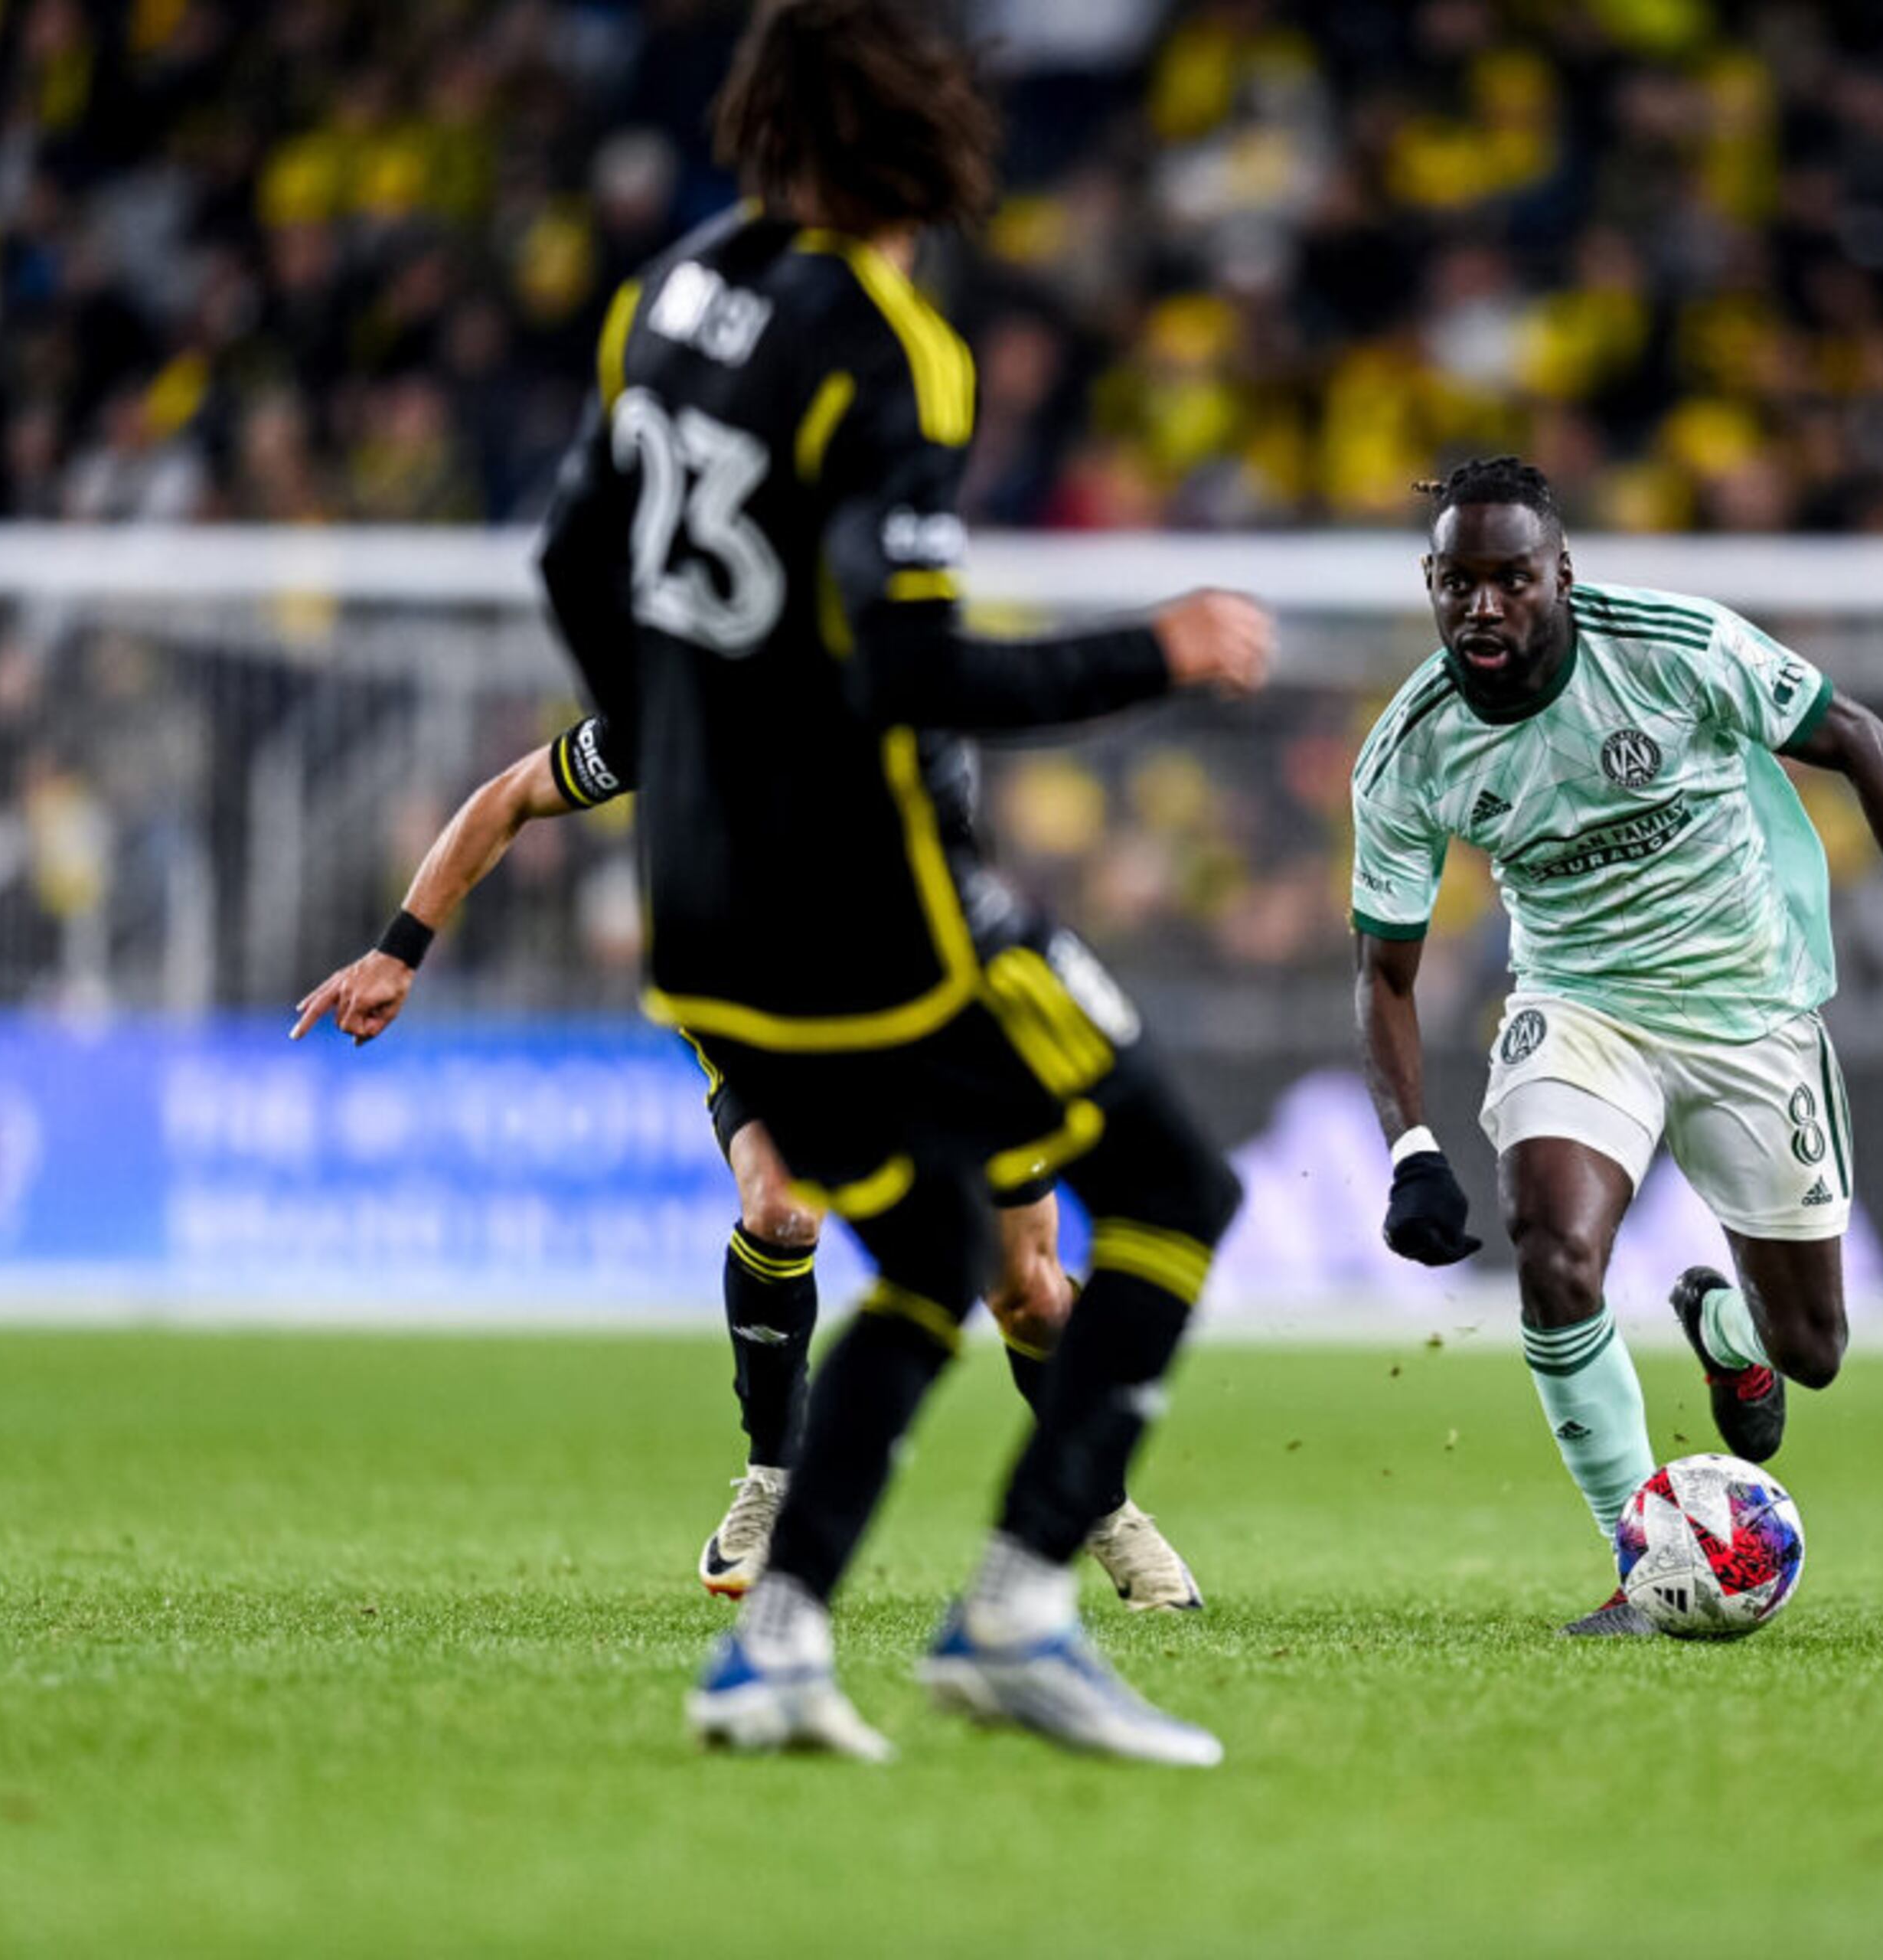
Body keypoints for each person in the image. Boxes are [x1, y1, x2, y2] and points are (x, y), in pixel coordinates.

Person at [536, 0, 1273, 1763]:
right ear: (923, 142)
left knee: (936, 1247)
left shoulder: (667, 299)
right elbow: (912, 668)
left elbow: (571, 551)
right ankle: (1020, 1609)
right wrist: (1153, 647)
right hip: (875, 907)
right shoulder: (886, 341)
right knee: (1172, 1183)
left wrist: (683, 744)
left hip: (698, 908)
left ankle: (778, 1649)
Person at [289, 725, 1207, 1613]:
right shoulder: (682, 712)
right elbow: (512, 795)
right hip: (773, 1006)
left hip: (937, 1001)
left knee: (1030, 1292)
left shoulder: (901, 711)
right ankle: (772, 1479)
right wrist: (399, 948)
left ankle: (1105, 1507)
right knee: (780, 1208)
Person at [1349, 456, 1883, 1635]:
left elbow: (1858, 737)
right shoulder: (1411, 749)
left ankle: (1725, 1331)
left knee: (1811, 1351)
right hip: (1579, 1005)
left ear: (1561, 574)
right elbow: (1384, 972)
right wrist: (1409, 1144)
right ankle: (1641, 1558)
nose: (1484, 607)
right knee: (1555, 1254)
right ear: (1431, 581)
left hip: (1749, 1005)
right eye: (1460, 583)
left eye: (1512, 579)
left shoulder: (1673, 648)